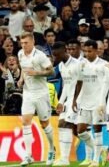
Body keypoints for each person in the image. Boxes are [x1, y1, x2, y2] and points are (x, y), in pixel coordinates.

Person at [17, 32, 56, 166]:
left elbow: (51, 71)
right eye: (21, 43)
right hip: (28, 93)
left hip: (41, 93)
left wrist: (37, 73)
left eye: (26, 43)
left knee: (44, 124)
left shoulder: (40, 56)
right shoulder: (20, 54)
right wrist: (21, 79)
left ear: (33, 42)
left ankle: (52, 148)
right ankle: (29, 155)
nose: (23, 45)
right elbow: (23, 69)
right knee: (26, 122)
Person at [72, 40, 108, 167]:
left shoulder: (104, 65)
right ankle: (101, 149)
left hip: (98, 102)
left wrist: (103, 102)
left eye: (89, 51)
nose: (87, 54)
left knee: (97, 130)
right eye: (85, 51)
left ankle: (96, 160)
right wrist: (75, 99)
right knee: (80, 131)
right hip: (84, 102)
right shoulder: (81, 64)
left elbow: (107, 84)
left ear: (96, 50)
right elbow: (79, 82)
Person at [52, 41, 82, 166]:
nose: (56, 58)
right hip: (68, 100)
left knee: (65, 125)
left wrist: (75, 100)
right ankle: (99, 148)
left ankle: (64, 159)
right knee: (77, 131)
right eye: (54, 55)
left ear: (65, 50)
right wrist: (60, 102)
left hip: (78, 99)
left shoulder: (77, 64)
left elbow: (81, 83)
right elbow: (66, 85)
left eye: (58, 55)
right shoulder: (61, 66)